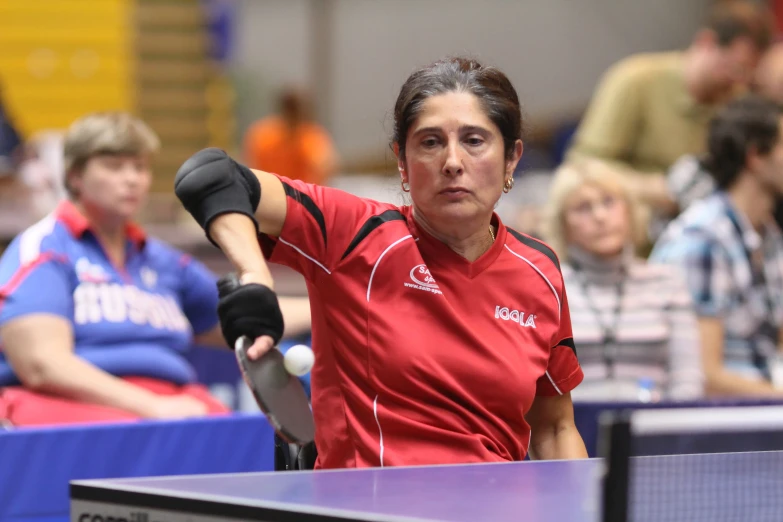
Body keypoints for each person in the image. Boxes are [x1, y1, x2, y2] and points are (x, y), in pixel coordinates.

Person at [174, 57, 588, 469]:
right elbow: (210, 177)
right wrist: (255, 277)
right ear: (402, 162)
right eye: (430, 142)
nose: (452, 161)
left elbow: (554, 428)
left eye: (474, 140)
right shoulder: (356, 233)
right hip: (371, 505)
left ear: (511, 159)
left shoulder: (540, 271)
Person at [0, 112, 312, 426]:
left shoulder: (164, 262)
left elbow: (247, 316)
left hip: (168, 402)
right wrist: (151, 407)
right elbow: (41, 365)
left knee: (244, 434)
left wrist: (328, 306)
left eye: (140, 167)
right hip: (73, 407)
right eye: (114, 166)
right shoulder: (44, 250)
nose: (132, 179)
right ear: (75, 177)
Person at [567, 0, 772, 217]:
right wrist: (656, 190)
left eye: (749, 73)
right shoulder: (635, 80)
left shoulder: (736, 99)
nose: (739, 80)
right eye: (735, 68)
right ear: (706, 42)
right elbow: (583, 164)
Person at [650, 95, 783, 397]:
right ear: (756, 157)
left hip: (763, 406)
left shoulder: (769, 235)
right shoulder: (703, 239)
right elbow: (705, 377)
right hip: (717, 423)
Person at [542, 159, 703, 402]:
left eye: (609, 202)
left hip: (654, 429)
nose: (600, 216)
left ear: (630, 210)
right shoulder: (547, 287)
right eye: (583, 208)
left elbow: (688, 380)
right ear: (563, 225)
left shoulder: (667, 282)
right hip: (571, 431)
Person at [243, 87, 338, 186]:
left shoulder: (261, 133)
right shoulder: (309, 136)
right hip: (293, 195)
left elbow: (326, 165)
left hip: (274, 193)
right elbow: (325, 166)